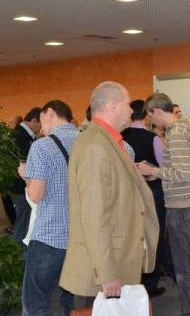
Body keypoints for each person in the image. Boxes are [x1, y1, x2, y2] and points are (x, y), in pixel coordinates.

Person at [60, 82, 159, 302]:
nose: (131, 110)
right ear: (112, 106)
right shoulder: (96, 146)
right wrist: (106, 273)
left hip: (116, 260)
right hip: (103, 273)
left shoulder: (106, 141)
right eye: (127, 104)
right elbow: (94, 216)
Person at [138, 93, 190, 316]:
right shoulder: (185, 128)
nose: (151, 122)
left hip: (181, 207)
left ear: (157, 111)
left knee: (185, 268)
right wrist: (158, 173)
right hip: (188, 204)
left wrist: (152, 171)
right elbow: (184, 169)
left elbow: (182, 173)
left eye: (151, 116)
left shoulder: (177, 133)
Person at [19, 100, 78, 316]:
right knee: (73, 301)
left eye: (42, 119)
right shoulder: (86, 141)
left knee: (35, 301)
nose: (40, 127)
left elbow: (36, 195)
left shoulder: (41, 146)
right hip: (80, 237)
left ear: (50, 113)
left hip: (50, 235)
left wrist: (26, 175)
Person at [121, 99, 168, 298]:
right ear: (147, 115)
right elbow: (164, 166)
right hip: (152, 192)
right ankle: (150, 283)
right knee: (154, 236)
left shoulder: (120, 138)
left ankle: (132, 280)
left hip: (128, 193)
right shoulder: (153, 138)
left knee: (131, 237)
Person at [10, 107, 42, 247]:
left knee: (24, 222)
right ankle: (19, 252)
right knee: (23, 224)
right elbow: (27, 161)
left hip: (22, 185)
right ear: (34, 121)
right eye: (41, 124)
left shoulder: (23, 135)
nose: (41, 128)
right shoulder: (20, 136)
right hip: (20, 186)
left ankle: (21, 250)